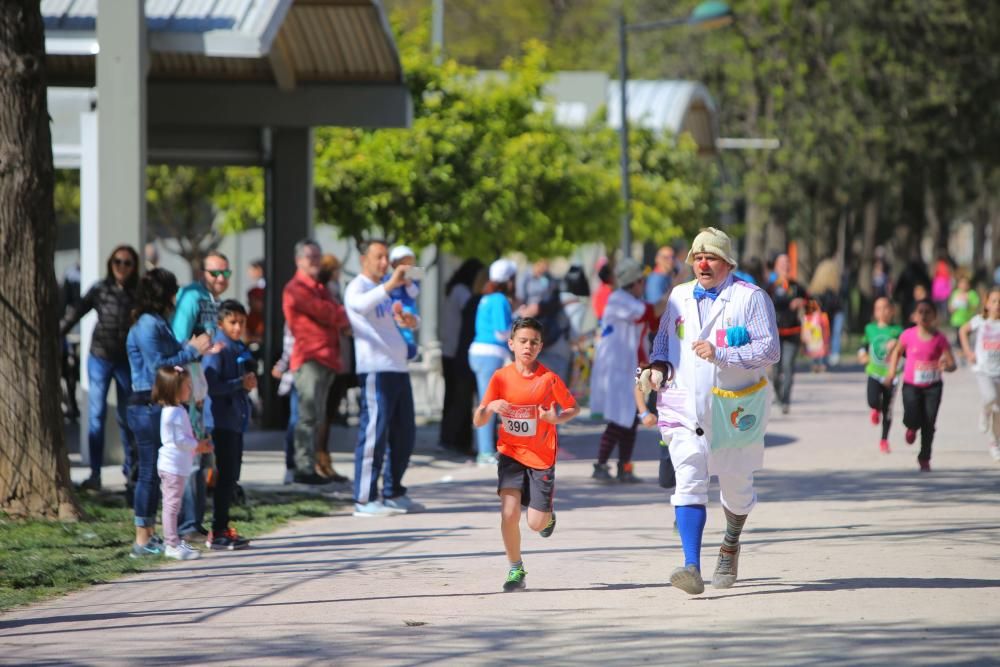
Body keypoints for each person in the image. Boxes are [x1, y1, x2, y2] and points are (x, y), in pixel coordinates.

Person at [637, 227, 780, 595]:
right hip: (685, 408)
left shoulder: (750, 298)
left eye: (711, 257)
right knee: (688, 479)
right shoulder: (679, 296)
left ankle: (730, 544)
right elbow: (666, 341)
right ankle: (691, 566)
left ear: (727, 263)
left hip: (734, 409)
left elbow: (770, 350)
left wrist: (724, 354)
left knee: (736, 488)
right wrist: (658, 368)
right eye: (697, 257)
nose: (702, 263)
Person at [473, 317, 580, 592]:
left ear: (540, 346)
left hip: (542, 457)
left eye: (533, 342)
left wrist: (555, 419)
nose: (527, 347)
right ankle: (515, 568)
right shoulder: (500, 377)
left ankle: (549, 515)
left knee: (535, 524)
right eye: (522, 341)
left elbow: (572, 408)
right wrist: (490, 407)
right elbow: (478, 420)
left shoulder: (549, 378)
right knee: (508, 513)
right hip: (510, 454)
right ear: (511, 344)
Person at [126, 268, 221, 558]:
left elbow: (170, 355)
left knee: (157, 473)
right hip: (145, 402)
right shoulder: (146, 324)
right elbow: (159, 364)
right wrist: (191, 350)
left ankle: (153, 535)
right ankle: (143, 538)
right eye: (172, 291)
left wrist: (193, 348)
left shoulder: (158, 322)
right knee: (148, 473)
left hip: (158, 402)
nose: (175, 298)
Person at [344, 238, 423, 516]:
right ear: (364, 259)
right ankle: (364, 499)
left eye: (386, 257)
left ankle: (393, 491)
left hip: (398, 367)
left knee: (404, 433)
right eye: (378, 257)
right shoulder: (358, 287)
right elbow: (360, 306)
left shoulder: (385, 290)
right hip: (376, 370)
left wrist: (412, 322)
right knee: (373, 434)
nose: (384, 263)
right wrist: (391, 284)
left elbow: (398, 318)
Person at [59, 245, 139, 492]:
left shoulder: (138, 292)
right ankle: (95, 474)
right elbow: (76, 312)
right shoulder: (100, 289)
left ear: (134, 266)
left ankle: (131, 472)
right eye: (117, 262)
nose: (122, 267)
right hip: (100, 357)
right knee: (96, 415)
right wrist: (56, 334)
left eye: (127, 263)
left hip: (125, 359)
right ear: (110, 263)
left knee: (127, 417)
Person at [172, 250, 232, 540]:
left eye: (225, 273)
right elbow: (179, 339)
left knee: (200, 450)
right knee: (191, 452)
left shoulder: (211, 300)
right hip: (186, 379)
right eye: (214, 273)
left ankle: (193, 522)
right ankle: (186, 524)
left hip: (198, 381)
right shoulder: (192, 297)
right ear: (202, 273)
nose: (220, 279)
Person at [282, 239, 350, 486]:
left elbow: (335, 312)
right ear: (298, 260)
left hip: (327, 359)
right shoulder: (296, 288)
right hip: (310, 359)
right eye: (310, 257)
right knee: (307, 417)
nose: (315, 261)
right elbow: (330, 313)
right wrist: (342, 315)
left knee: (318, 417)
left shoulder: (320, 287)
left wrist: (340, 315)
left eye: (318, 257)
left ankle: (310, 466)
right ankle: (302, 468)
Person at [589, 258, 657, 483]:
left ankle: (624, 467)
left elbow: (653, 321)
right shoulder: (620, 299)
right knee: (620, 418)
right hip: (618, 368)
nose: (643, 285)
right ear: (634, 282)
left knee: (632, 417)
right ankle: (600, 464)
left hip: (635, 366)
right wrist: (673, 289)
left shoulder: (630, 300)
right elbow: (648, 312)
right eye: (641, 281)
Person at [202, 300, 255, 549]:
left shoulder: (238, 347)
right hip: (221, 422)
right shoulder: (218, 349)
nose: (237, 327)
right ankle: (218, 530)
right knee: (224, 477)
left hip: (236, 420)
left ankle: (223, 527)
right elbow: (212, 386)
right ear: (220, 323)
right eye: (232, 322)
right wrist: (239, 384)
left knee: (232, 476)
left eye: (241, 322)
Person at [884, 300, 957, 472]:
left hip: (933, 386)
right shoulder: (907, 335)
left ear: (934, 316)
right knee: (912, 415)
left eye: (928, 312)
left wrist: (947, 366)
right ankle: (911, 426)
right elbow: (897, 353)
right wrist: (891, 372)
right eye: (920, 312)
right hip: (911, 385)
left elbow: (953, 364)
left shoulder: (940, 339)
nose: (924, 315)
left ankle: (924, 457)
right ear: (914, 316)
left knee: (929, 422)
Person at [155, 366, 212, 561]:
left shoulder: (178, 410)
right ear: (175, 389)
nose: (190, 389)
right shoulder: (173, 413)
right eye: (187, 385)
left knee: (174, 505)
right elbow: (179, 440)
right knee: (171, 506)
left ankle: (174, 540)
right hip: (172, 467)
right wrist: (198, 445)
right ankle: (171, 543)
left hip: (177, 466)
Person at [469, 259, 519, 466]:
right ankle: (485, 451)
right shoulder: (499, 299)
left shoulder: (487, 297)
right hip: (490, 354)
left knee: (486, 402)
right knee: (488, 404)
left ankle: (485, 448)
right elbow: (501, 332)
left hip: (480, 353)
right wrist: (520, 318)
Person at [439, 258, 484, 455]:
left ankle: (450, 439)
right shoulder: (463, 292)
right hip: (457, 351)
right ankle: (455, 439)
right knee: (459, 398)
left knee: (453, 397)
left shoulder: (455, 289)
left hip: (450, 349)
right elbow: (471, 313)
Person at [314, 253, 352, 481]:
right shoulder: (326, 292)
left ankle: (323, 458)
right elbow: (338, 319)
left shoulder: (333, 290)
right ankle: (319, 459)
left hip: (340, 358)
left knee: (328, 413)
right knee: (322, 414)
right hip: (331, 357)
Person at [958, 287, 1000, 462]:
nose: (997, 305)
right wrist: (968, 352)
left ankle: (995, 442)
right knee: (990, 398)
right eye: (994, 301)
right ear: (987, 303)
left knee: (998, 411)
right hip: (983, 369)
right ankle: (984, 411)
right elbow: (962, 331)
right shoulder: (980, 321)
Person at [858, 297, 903, 454]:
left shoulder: (898, 331)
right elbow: (863, 346)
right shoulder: (870, 328)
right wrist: (862, 355)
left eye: (885, 308)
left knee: (888, 409)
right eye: (878, 308)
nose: (882, 311)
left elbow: (905, 351)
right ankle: (874, 408)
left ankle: (884, 440)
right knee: (872, 400)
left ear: (892, 310)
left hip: (891, 375)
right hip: (874, 372)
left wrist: (896, 345)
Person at [767, 253, 808, 414]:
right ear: (776, 267)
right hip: (775, 333)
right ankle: (777, 393)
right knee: (776, 370)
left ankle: (786, 400)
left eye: (787, 263)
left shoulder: (797, 286)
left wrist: (802, 302)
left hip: (793, 332)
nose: (785, 266)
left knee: (788, 365)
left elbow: (813, 304)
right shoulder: (769, 287)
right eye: (782, 263)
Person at [385, 245, 421, 360]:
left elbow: (414, 294)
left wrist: (408, 282)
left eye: (410, 263)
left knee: (405, 325)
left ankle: (409, 346)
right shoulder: (388, 277)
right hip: (390, 308)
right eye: (403, 263)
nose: (407, 267)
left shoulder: (414, 276)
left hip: (407, 308)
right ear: (394, 264)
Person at [808, 258, 845, 367]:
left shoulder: (814, 289)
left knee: (818, 336)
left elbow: (810, 306)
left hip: (819, 316)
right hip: (829, 315)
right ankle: (833, 355)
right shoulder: (833, 290)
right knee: (831, 334)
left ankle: (818, 358)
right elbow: (837, 305)